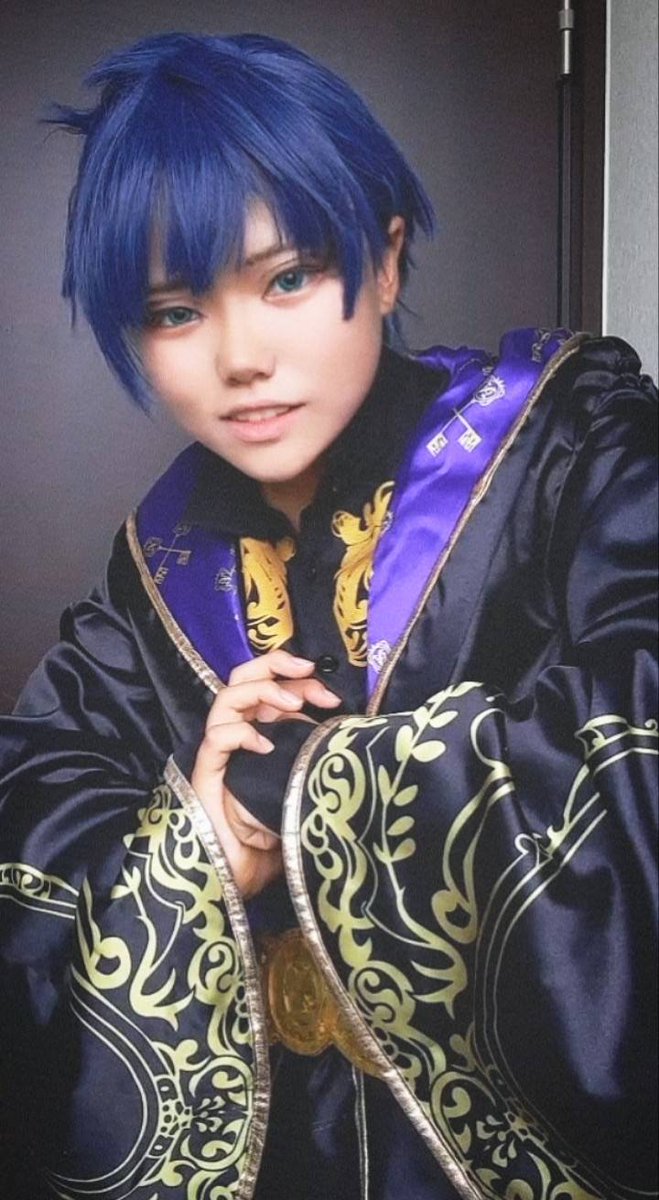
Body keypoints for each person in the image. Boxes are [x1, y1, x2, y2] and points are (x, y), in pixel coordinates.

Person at [0, 30, 656, 1200]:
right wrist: (202, 835)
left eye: (288, 278)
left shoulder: (568, 450)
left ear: (385, 262)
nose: (240, 357)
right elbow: (36, 819)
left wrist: (312, 788)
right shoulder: (153, 568)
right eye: (173, 310)